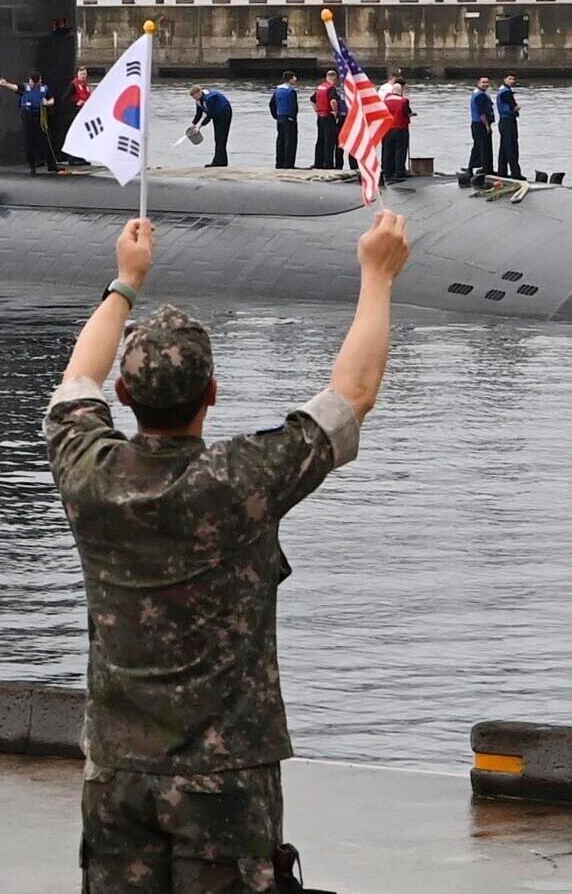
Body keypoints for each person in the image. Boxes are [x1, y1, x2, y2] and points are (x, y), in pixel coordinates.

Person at [44, 209, 404, 894]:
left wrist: (125, 282)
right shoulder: (239, 480)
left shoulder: (89, 473)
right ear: (212, 393)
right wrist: (377, 273)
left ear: (126, 396)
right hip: (226, 782)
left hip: (117, 774)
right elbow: (353, 393)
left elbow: (75, 382)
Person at [1, 76, 57, 174]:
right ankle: (32, 166)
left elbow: (52, 100)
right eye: (32, 82)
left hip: (40, 115)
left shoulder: (44, 88)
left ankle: (52, 165)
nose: (33, 84)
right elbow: (15, 87)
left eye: (35, 83)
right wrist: (6, 84)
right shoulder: (25, 87)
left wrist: (47, 102)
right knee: (29, 142)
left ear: (40, 81)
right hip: (28, 116)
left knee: (46, 140)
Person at [190, 86, 232, 167]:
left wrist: (199, 127)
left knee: (221, 138)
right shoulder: (198, 101)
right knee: (218, 138)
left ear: (199, 92)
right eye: (193, 98)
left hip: (224, 113)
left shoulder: (210, 98)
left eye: (195, 96)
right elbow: (199, 114)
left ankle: (219, 162)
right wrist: (193, 124)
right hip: (216, 115)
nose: (195, 99)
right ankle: (222, 161)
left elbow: (210, 115)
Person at [383, 78, 412, 184]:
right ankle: (399, 171)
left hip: (387, 128)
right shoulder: (404, 101)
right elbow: (406, 113)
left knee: (388, 150)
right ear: (400, 91)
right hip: (400, 127)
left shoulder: (385, 100)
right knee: (400, 150)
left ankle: (388, 171)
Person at [312, 71, 343, 170]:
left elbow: (312, 99)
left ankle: (318, 162)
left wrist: (316, 110)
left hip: (320, 116)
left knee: (320, 140)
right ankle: (328, 164)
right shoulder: (331, 88)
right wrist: (336, 112)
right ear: (334, 78)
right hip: (328, 116)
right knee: (329, 141)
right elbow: (333, 100)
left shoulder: (320, 87)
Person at [494, 73, 522, 180]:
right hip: (508, 121)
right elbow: (512, 107)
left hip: (504, 121)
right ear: (504, 79)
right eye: (509, 79)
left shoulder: (503, 90)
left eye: (513, 79)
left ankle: (502, 171)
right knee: (512, 147)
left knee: (504, 147)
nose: (512, 81)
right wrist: (516, 108)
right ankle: (515, 173)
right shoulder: (505, 92)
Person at [466, 76, 495, 178]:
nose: (485, 84)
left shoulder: (478, 93)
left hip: (476, 124)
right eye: (483, 82)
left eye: (487, 82)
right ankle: (484, 169)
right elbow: (482, 113)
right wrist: (487, 126)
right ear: (478, 83)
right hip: (480, 124)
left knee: (479, 146)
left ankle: (478, 167)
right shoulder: (480, 95)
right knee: (482, 147)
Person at [269, 73, 299, 170]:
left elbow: (271, 104)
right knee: (290, 142)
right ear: (290, 79)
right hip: (289, 118)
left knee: (280, 140)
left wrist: (276, 116)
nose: (295, 79)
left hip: (280, 118)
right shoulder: (291, 91)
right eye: (294, 77)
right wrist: (293, 118)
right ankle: (289, 164)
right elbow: (294, 107)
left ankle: (279, 163)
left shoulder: (277, 91)